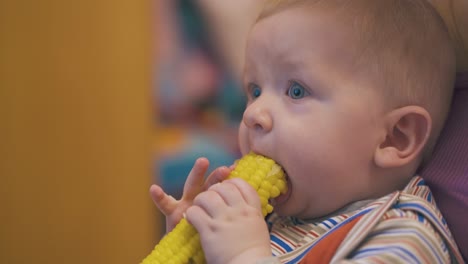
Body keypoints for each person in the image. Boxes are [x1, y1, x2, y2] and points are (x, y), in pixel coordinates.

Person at [150, 0, 465, 263]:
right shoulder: (269, 221)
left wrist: (245, 254)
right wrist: (196, 247)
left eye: (296, 91)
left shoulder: (402, 239)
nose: (252, 114)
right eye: (255, 90)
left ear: (395, 137)